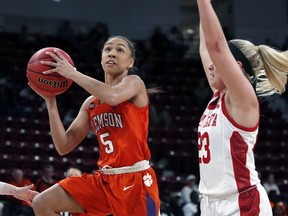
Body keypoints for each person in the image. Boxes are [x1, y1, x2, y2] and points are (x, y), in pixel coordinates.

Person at [30, 36, 161, 216]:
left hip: (135, 179)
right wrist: (51, 102)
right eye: (107, 49)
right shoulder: (91, 103)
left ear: (130, 62)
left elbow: (113, 97)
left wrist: (72, 73)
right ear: (101, 59)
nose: (112, 53)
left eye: (120, 50)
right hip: (104, 181)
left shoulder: (134, 83)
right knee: (42, 203)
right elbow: (63, 146)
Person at [196, 0, 288, 215]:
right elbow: (205, 48)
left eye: (216, 62)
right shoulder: (219, 95)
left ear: (235, 68)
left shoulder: (243, 98)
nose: (210, 64)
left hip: (242, 203)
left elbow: (216, 45)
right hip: (210, 203)